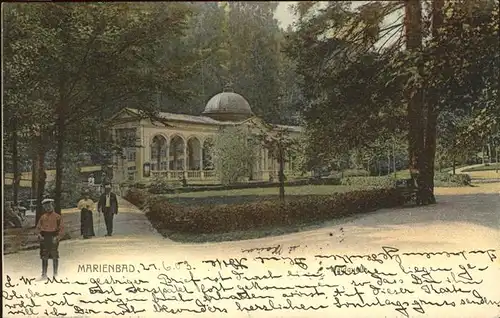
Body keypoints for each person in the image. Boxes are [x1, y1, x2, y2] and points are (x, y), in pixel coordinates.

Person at [36, 198, 64, 279]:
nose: (48, 208)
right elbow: (38, 228)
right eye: (46, 206)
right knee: (44, 256)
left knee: (54, 255)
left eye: (49, 206)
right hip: (44, 237)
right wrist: (39, 235)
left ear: (53, 206)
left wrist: (58, 237)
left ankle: (55, 274)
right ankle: (44, 274)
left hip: (53, 236)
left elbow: (61, 228)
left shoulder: (57, 217)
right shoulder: (42, 217)